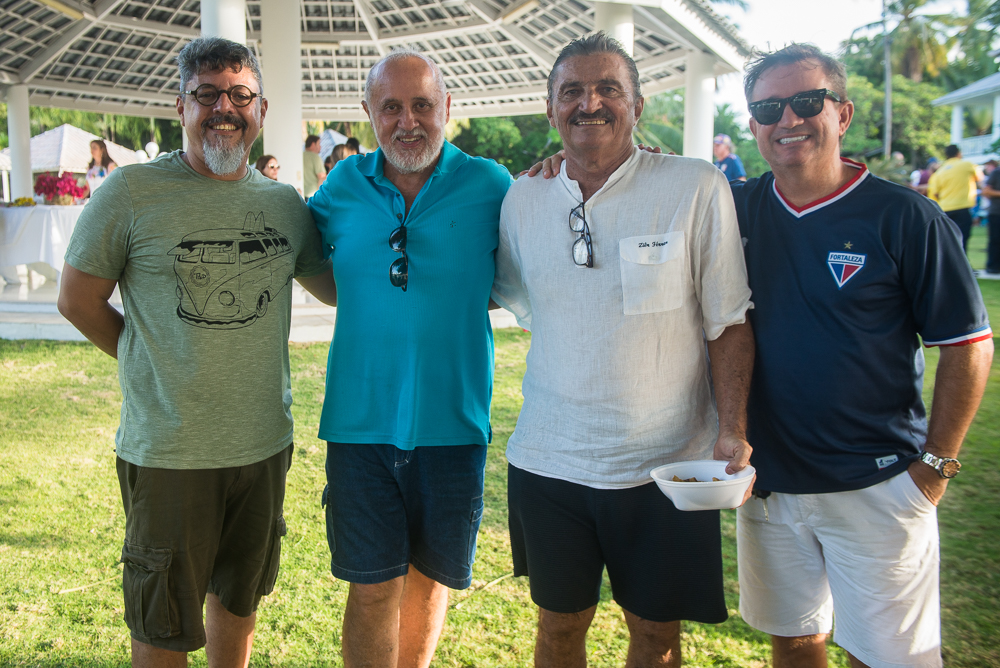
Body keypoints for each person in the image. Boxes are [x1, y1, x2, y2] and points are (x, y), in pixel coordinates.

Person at [57, 36, 336, 667]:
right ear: (180, 106)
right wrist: (148, 357)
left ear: (261, 109)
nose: (224, 108)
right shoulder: (130, 192)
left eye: (240, 94)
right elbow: (77, 300)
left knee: (240, 599)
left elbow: (336, 287)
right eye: (206, 94)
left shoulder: (284, 205)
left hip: (263, 443)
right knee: (164, 619)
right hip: (170, 450)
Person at [492, 32, 755, 668]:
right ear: (550, 109)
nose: (590, 104)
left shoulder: (695, 185)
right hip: (549, 460)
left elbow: (728, 321)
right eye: (572, 92)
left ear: (637, 105)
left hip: (667, 465)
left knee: (657, 635)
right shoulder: (522, 197)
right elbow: (520, 301)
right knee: (558, 628)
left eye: (608, 89)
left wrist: (733, 429)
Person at [731, 44, 993, 668]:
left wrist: (935, 467)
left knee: (889, 658)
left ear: (842, 113)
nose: (788, 119)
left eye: (806, 101)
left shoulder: (906, 216)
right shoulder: (733, 208)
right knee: (795, 644)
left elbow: (967, 346)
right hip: (769, 484)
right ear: (753, 124)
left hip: (880, 483)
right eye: (768, 108)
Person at [306, 47, 511, 668]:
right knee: (372, 588)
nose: (407, 121)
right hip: (359, 424)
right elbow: (305, 257)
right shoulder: (341, 185)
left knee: (429, 583)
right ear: (368, 111)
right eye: (390, 106)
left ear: (447, 106)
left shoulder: (492, 185)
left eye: (422, 105)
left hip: (454, 422)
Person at [927, 144, 980, 252]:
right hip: (962, 207)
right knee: (962, 239)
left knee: (947, 240)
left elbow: (935, 193)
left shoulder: (939, 171)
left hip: (945, 209)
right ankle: (962, 261)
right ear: (958, 153)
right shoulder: (967, 165)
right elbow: (980, 179)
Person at [981, 158, 1000, 276]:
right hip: (996, 212)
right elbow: (986, 191)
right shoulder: (996, 172)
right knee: (995, 240)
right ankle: (993, 267)